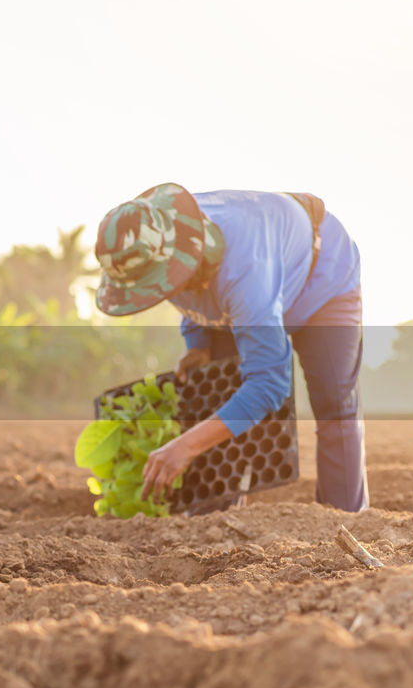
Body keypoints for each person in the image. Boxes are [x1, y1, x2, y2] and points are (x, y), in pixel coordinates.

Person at [94, 183, 367, 512]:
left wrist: (186, 445)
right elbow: (186, 294)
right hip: (251, 289)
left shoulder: (243, 273)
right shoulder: (169, 242)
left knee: (333, 400)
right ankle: (216, 518)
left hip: (321, 279)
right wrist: (198, 345)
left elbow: (270, 385)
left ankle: (347, 517)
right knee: (220, 394)